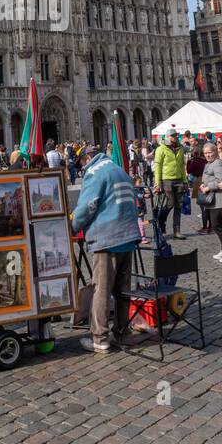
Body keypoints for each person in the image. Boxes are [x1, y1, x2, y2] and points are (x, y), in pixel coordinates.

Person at [72, 148, 141, 354]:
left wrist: (73, 226)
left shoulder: (96, 172)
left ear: (87, 158)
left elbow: (88, 206)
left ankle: (100, 338)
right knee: (122, 290)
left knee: (101, 289)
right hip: (128, 236)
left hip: (107, 238)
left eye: (82, 163)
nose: (83, 168)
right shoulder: (119, 170)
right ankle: (123, 334)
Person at [200, 142, 222, 262]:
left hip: (219, 200)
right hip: (212, 200)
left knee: (218, 226)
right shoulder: (209, 163)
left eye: (210, 152)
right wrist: (203, 185)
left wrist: (208, 187)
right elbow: (208, 178)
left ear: (215, 152)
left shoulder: (218, 163)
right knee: (217, 226)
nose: (208, 155)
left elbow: (221, 181)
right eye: (205, 153)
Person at [153, 130, 186, 240]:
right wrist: (157, 184)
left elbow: (182, 165)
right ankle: (161, 223)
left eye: (176, 135)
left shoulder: (180, 148)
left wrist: (185, 181)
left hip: (179, 179)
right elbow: (157, 167)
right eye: (173, 135)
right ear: (167, 137)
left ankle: (177, 231)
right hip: (166, 179)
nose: (175, 137)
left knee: (178, 206)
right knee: (170, 203)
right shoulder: (161, 149)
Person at [186, 139, 208, 233]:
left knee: (202, 207)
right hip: (207, 181)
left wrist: (188, 161)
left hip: (199, 181)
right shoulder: (206, 160)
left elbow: (189, 170)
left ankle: (205, 227)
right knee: (208, 205)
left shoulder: (195, 160)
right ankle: (210, 226)